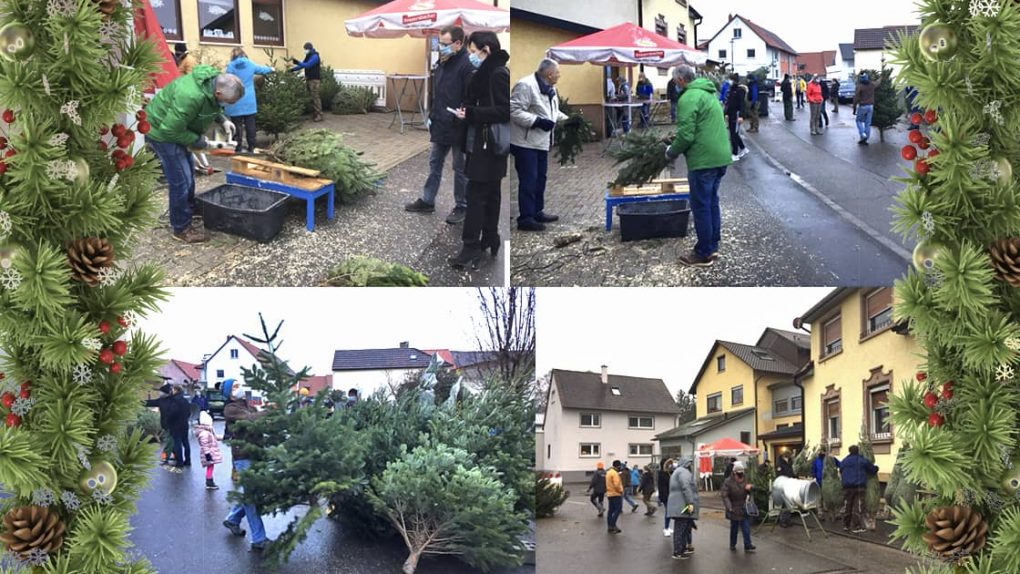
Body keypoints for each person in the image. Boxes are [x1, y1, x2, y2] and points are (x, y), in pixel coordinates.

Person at [145, 66, 242, 243]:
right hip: (161, 132)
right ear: (218, 92)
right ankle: (181, 228)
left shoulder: (211, 83)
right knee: (180, 180)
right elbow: (170, 130)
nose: (227, 105)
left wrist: (223, 120)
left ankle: (188, 208)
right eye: (228, 102)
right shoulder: (190, 96)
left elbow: (211, 105)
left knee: (188, 171)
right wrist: (203, 143)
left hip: (178, 129)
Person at [448, 31, 510, 270]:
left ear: (486, 50)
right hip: (485, 144)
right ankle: (490, 238)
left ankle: (470, 247)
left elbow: (505, 110)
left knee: (475, 196)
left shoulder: (497, 74)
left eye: (473, 52)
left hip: (488, 144)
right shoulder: (488, 72)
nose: (471, 56)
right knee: (491, 195)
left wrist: (472, 113)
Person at [664, 65, 732, 269]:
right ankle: (713, 244)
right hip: (720, 156)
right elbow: (700, 126)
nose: (675, 86)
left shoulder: (689, 97)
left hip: (704, 160)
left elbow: (687, 135)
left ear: (681, 80)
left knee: (701, 205)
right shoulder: (708, 93)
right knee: (711, 201)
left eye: (676, 82)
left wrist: (670, 151)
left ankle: (703, 253)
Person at [405, 26, 474, 224]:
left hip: (458, 125)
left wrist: (463, 114)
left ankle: (462, 205)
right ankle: (427, 200)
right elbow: (439, 93)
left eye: (444, 44)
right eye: (439, 44)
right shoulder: (443, 62)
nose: (440, 47)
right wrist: (432, 115)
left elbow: (470, 96)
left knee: (459, 169)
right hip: (440, 123)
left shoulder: (466, 65)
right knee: (435, 163)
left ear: (458, 43)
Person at [510, 59, 568, 232]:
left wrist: (568, 120)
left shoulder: (550, 88)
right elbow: (513, 110)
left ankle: (537, 211)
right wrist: (537, 121)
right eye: (557, 72)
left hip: (541, 142)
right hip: (525, 143)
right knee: (528, 179)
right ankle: (526, 218)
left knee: (540, 178)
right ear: (549, 74)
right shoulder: (526, 85)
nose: (559, 75)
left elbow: (551, 112)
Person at [221, 379, 271, 550]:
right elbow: (250, 420)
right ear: (229, 393)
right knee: (251, 498)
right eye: (235, 386)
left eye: (238, 384)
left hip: (256, 454)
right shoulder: (231, 409)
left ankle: (232, 519)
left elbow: (259, 421)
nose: (239, 387)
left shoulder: (248, 406)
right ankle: (259, 538)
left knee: (254, 493)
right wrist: (269, 411)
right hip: (243, 456)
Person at [223, 48, 272, 154]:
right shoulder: (250, 64)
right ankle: (251, 147)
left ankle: (238, 147)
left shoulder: (231, 66)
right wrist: (272, 69)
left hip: (235, 99)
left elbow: (226, 80)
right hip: (249, 100)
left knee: (237, 125)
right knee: (251, 125)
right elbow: (262, 69)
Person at [840, 444, 879, 533]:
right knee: (857, 506)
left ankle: (846, 525)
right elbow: (872, 469)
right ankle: (856, 527)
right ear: (858, 451)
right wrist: (876, 468)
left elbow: (841, 470)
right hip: (859, 487)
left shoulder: (844, 461)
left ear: (849, 451)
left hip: (847, 487)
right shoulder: (861, 460)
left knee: (848, 506)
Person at [667, 457, 699, 560]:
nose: (690, 465)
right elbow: (686, 487)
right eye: (689, 463)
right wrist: (691, 503)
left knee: (684, 527)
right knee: (681, 529)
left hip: (679, 505)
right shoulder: (683, 472)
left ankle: (682, 548)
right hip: (683, 505)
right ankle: (678, 551)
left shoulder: (677, 472)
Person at [721, 461, 756, 552]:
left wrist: (750, 488)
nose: (740, 475)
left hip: (743, 507)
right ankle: (732, 544)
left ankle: (747, 545)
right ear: (734, 473)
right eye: (738, 473)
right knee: (734, 528)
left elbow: (751, 489)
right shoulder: (728, 482)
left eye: (741, 473)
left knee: (746, 527)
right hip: (733, 507)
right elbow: (725, 495)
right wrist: (729, 507)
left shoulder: (745, 479)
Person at [144, 384, 178, 468]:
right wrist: (140, 402)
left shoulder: (173, 400)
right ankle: (176, 456)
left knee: (169, 442)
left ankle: (165, 459)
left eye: (161, 392)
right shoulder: (162, 400)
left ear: (165, 393)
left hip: (172, 425)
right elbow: (151, 402)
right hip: (165, 425)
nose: (159, 393)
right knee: (171, 442)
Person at [290, 42, 323, 122]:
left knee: (315, 97)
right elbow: (302, 65)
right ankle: (314, 114)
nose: (304, 51)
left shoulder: (315, 56)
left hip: (314, 80)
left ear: (309, 49)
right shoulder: (308, 56)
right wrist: (292, 69)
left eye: (305, 49)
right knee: (311, 97)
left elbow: (308, 65)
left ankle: (319, 115)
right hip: (309, 79)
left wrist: (297, 62)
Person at [194, 411, 223, 490]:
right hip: (208, 453)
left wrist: (224, 437)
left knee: (211, 466)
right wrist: (207, 454)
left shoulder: (209, 431)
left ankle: (210, 480)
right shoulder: (204, 433)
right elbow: (204, 445)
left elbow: (215, 437)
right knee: (210, 466)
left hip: (210, 452)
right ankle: (209, 481)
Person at [166, 385, 191, 470]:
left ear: (176, 390)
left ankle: (180, 462)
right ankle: (188, 461)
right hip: (185, 425)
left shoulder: (174, 400)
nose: (171, 391)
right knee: (186, 443)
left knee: (177, 443)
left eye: (172, 389)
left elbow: (172, 413)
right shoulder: (185, 400)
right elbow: (189, 413)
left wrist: (168, 420)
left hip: (176, 425)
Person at [724, 73, 748, 162]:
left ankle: (735, 153)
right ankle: (743, 148)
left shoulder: (739, 90)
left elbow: (742, 104)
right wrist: (726, 113)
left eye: (730, 79)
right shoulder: (731, 90)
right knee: (734, 133)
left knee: (734, 134)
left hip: (736, 114)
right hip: (731, 114)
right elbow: (729, 103)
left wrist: (741, 115)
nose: (729, 81)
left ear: (734, 80)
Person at [852, 72, 881, 145]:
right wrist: (881, 76)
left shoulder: (859, 86)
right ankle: (866, 140)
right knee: (868, 123)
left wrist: (854, 108)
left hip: (863, 106)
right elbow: (878, 82)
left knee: (858, 121)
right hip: (871, 106)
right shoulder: (872, 84)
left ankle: (862, 134)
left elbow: (856, 98)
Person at [605, 460, 625, 533]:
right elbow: (616, 484)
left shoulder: (608, 472)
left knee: (610, 511)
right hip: (616, 494)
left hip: (609, 493)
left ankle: (610, 526)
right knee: (618, 509)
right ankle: (612, 525)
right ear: (618, 466)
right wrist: (620, 491)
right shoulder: (615, 474)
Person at [658, 458, 674, 536]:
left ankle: (667, 527)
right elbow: (661, 487)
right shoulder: (662, 473)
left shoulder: (668, 473)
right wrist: (661, 498)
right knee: (668, 512)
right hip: (666, 496)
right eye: (668, 464)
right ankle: (666, 528)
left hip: (670, 495)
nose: (670, 465)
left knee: (670, 512)